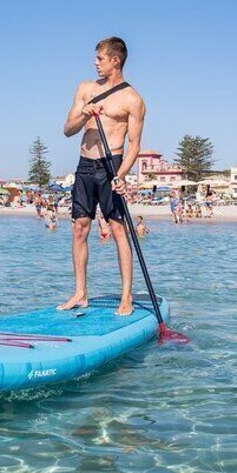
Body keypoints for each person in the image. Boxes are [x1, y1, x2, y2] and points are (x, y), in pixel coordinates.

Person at [58, 37, 146, 316]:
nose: (95, 63)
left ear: (115, 60)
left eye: (100, 59)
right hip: (85, 164)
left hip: (112, 164)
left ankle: (126, 297)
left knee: (118, 229)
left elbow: (135, 145)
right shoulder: (85, 89)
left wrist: (121, 174)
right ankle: (81, 293)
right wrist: (83, 115)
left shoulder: (132, 99)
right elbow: (67, 130)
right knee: (79, 228)